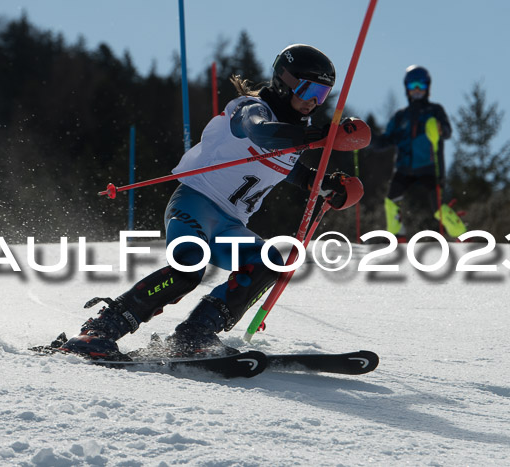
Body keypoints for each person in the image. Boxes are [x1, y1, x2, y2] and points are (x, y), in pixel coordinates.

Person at [58, 44, 370, 359]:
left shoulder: (295, 136)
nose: (314, 101)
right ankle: (99, 330)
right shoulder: (250, 109)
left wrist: (329, 186)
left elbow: (293, 171)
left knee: (268, 260)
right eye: (310, 89)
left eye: (323, 93)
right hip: (194, 203)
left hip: (230, 224)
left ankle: (195, 335)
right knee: (189, 266)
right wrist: (322, 136)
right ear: (284, 80)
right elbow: (262, 134)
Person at [376, 65, 454, 241]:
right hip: (404, 167)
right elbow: (385, 140)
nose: (417, 90)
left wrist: (441, 128)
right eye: (413, 86)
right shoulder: (401, 116)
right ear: (407, 89)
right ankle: (397, 235)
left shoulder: (435, 110)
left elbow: (447, 131)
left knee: (438, 208)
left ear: (428, 88)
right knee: (391, 200)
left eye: (421, 86)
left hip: (428, 166)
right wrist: (364, 140)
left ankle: (463, 235)